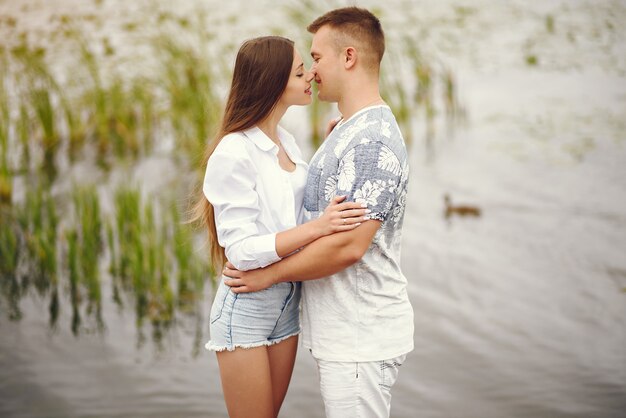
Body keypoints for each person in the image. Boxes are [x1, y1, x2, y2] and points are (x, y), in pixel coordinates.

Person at [223, 7, 414, 418]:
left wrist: (268, 275)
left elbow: (347, 247)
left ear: (349, 57)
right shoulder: (346, 129)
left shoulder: (370, 143)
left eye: (317, 57)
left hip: (361, 338)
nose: (311, 70)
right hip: (344, 334)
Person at [192, 36, 370, 418]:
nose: (312, 77)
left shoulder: (287, 143)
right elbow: (240, 250)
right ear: (274, 83)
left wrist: (335, 144)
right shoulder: (234, 151)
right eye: (301, 72)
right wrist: (319, 229)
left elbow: (299, 215)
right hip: (247, 304)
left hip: (287, 301)